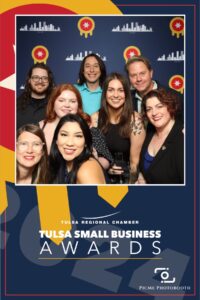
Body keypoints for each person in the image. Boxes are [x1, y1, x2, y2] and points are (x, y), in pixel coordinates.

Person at [39, 83, 113, 169]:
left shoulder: (89, 128)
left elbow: (106, 159)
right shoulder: (40, 127)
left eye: (72, 101)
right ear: (53, 103)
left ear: (78, 105)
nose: (67, 105)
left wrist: (95, 162)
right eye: (61, 100)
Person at [91, 72, 146, 184]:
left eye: (120, 90)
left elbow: (135, 162)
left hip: (126, 179)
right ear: (105, 93)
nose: (115, 95)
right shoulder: (95, 119)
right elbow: (94, 157)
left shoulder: (135, 121)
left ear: (126, 94)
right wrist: (107, 168)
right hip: (100, 177)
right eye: (111, 90)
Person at [138, 88, 184, 184]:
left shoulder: (183, 137)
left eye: (159, 106)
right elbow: (147, 167)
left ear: (170, 106)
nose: (154, 113)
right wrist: (142, 176)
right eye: (149, 109)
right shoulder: (150, 131)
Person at [49, 114, 106, 184]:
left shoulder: (87, 170)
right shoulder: (58, 163)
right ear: (56, 139)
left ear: (86, 142)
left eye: (78, 136)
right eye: (64, 135)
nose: (70, 143)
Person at [125, 55, 183, 122]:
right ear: (129, 78)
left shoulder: (174, 97)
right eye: (133, 75)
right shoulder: (126, 99)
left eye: (142, 73)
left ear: (151, 73)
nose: (138, 79)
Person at [17, 63, 55, 129]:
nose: (40, 81)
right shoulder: (15, 105)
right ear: (29, 80)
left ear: (49, 81)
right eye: (36, 77)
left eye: (44, 78)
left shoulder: (55, 106)